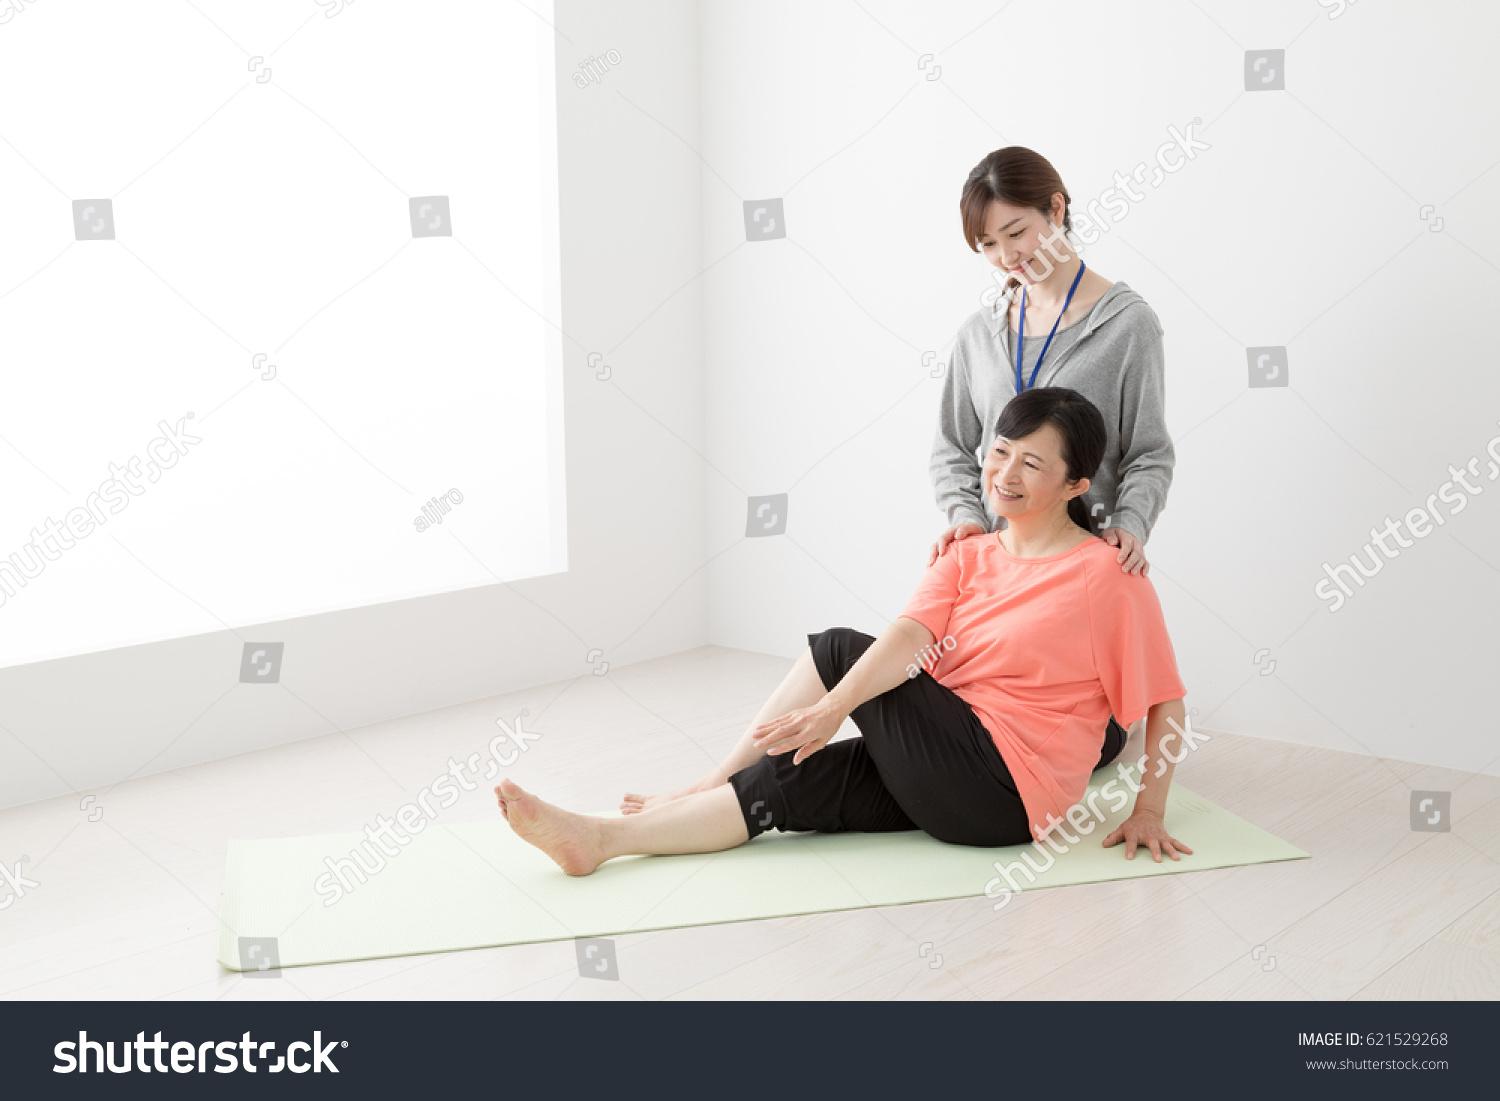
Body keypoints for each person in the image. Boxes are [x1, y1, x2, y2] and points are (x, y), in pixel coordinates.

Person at [494, 387, 1194, 876]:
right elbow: (909, 638)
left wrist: (1150, 811)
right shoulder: (969, 552)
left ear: (1076, 484)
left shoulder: (1108, 577)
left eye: (1031, 463)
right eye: (1001, 451)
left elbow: (1165, 701)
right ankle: (599, 840)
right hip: (946, 768)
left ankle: (704, 780)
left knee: (836, 648)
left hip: (1008, 793)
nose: (1004, 473)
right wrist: (829, 714)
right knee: (788, 780)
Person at [934, 146, 1177, 769]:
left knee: (1043, 718)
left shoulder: (1128, 326)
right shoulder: (979, 334)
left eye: (1016, 231)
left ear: (1057, 209)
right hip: (991, 568)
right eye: (988, 244)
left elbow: (1149, 452)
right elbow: (953, 447)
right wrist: (965, 516)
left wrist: (1130, 526)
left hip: (1076, 573)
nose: (1006, 257)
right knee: (932, 706)